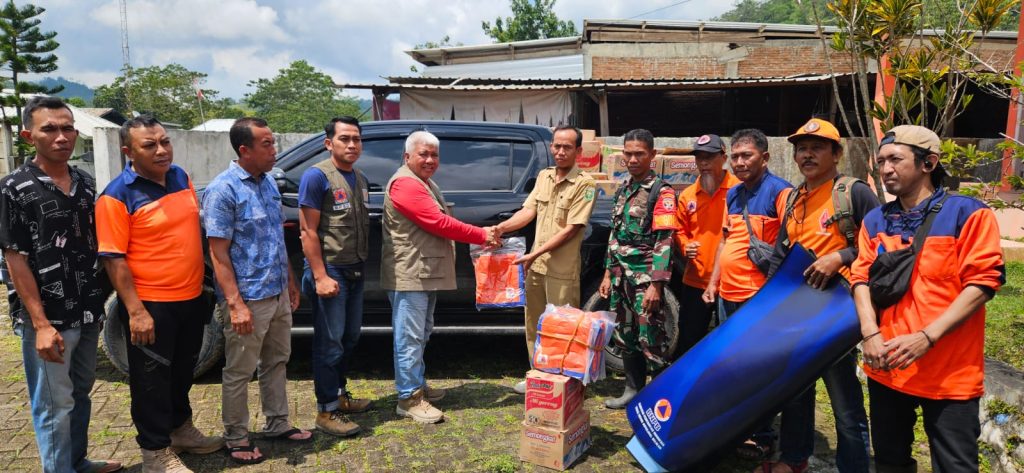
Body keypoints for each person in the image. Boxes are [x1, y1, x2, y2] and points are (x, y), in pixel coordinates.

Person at [850, 125, 1004, 473]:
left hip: (950, 373)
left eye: (895, 159)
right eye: (881, 161)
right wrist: (870, 333)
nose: (885, 169)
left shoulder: (967, 214)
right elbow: (860, 279)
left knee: (955, 466)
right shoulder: (876, 220)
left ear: (928, 163)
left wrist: (926, 337)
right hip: (888, 367)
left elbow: (982, 282)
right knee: (889, 461)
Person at [0, 96, 122, 473]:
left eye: (68, 128)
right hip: (48, 317)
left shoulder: (85, 183)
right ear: (28, 136)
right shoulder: (14, 188)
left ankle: (76, 461)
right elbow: (15, 259)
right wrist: (39, 324)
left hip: (87, 310)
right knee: (54, 404)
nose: (61, 136)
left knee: (80, 392)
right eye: (49, 129)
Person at [96, 116, 223, 473]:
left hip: (191, 297)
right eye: (149, 145)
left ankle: (181, 430)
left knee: (183, 372)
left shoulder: (180, 177)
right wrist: (135, 311)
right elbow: (113, 258)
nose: (162, 150)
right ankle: (154, 453)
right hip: (151, 304)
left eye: (165, 141)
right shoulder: (116, 196)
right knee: (151, 382)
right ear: (128, 152)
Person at [759, 118, 877, 473]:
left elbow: (882, 246)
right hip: (798, 312)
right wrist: (765, 304)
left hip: (837, 314)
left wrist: (841, 256)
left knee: (844, 402)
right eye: (801, 149)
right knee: (794, 391)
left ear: (836, 154)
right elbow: (781, 253)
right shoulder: (794, 197)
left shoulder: (853, 193)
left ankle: (854, 467)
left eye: (816, 148)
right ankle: (794, 459)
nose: (807, 155)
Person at [203, 118, 311, 464]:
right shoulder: (223, 190)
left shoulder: (267, 184)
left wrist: (290, 282)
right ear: (244, 150)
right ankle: (236, 437)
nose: (274, 150)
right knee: (239, 371)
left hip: (276, 292)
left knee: (277, 361)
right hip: (248, 298)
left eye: (273, 142)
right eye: (267, 144)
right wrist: (235, 304)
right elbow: (218, 254)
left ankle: (278, 423)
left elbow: (277, 239)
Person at [381, 130, 499, 423]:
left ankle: (417, 385)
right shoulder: (406, 184)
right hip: (410, 273)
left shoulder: (423, 181)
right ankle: (408, 398)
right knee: (409, 337)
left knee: (420, 333)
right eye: (423, 154)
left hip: (423, 271)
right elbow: (437, 221)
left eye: (434, 155)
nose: (430, 160)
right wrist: (481, 234)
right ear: (407, 156)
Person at [703, 128, 791, 458]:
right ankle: (740, 427)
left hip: (758, 297)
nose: (739, 162)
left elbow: (790, 243)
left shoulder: (780, 192)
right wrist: (713, 282)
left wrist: (774, 295)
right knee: (733, 366)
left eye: (747, 156)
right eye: (736, 156)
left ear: (764, 157)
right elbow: (726, 241)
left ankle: (763, 433)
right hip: (728, 294)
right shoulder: (734, 194)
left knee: (758, 369)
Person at [495, 126, 597, 394]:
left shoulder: (585, 184)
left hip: (560, 270)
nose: (560, 152)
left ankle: (564, 384)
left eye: (567, 147)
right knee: (535, 325)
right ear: (551, 147)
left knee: (562, 328)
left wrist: (535, 253)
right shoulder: (544, 176)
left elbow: (571, 229)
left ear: (578, 151)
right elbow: (528, 211)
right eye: (557, 146)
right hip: (535, 267)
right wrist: (499, 229)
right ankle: (538, 376)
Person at [298, 116, 374, 437]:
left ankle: (340, 395)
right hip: (331, 271)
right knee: (329, 343)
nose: (352, 144)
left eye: (357, 139)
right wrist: (320, 276)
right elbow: (307, 231)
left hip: (355, 269)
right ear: (329, 143)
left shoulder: (359, 178)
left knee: (348, 338)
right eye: (345, 139)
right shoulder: (316, 177)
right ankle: (326, 410)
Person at [599, 128, 680, 410]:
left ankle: (658, 401)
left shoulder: (662, 192)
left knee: (651, 338)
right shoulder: (624, 189)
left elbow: (665, 240)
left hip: (645, 279)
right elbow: (615, 235)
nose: (632, 159)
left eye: (639, 154)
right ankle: (632, 390)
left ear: (652, 155)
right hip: (620, 278)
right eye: (628, 153)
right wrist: (607, 273)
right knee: (625, 334)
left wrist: (657, 285)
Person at [673, 133, 738, 355]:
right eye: (699, 158)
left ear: (724, 158)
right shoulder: (688, 196)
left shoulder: (739, 190)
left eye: (709, 157)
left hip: (730, 282)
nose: (703, 163)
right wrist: (685, 245)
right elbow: (679, 230)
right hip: (696, 279)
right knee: (689, 339)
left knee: (728, 343)